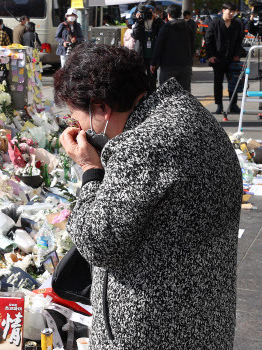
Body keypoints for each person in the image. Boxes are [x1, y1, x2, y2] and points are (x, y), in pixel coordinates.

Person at [54, 42, 242, 350]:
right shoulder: (186, 112)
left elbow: (97, 243)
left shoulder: (141, 146)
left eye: (77, 118)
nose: (78, 127)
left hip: (153, 328)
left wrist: (90, 169)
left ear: (102, 108)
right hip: (204, 315)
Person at [205, 1, 244, 114]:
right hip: (217, 59)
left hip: (232, 59)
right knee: (218, 83)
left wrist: (237, 54)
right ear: (223, 11)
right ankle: (219, 105)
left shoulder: (237, 25)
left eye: (233, 11)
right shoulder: (214, 24)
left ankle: (233, 104)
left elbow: (239, 41)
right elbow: (208, 41)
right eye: (229, 11)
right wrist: (210, 56)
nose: (231, 13)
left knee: (233, 82)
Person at [150, 4, 194, 92]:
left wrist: (153, 63)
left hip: (168, 66)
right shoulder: (188, 27)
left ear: (168, 15)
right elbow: (192, 45)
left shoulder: (166, 27)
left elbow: (159, 46)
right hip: (185, 65)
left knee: (166, 95)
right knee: (184, 95)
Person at [132, 2, 164, 92]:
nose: (148, 16)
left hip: (153, 56)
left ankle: (152, 95)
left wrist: (157, 18)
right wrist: (138, 22)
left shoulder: (157, 24)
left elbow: (165, 30)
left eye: (150, 14)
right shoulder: (140, 23)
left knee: (152, 79)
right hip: (141, 54)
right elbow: (135, 35)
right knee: (140, 79)